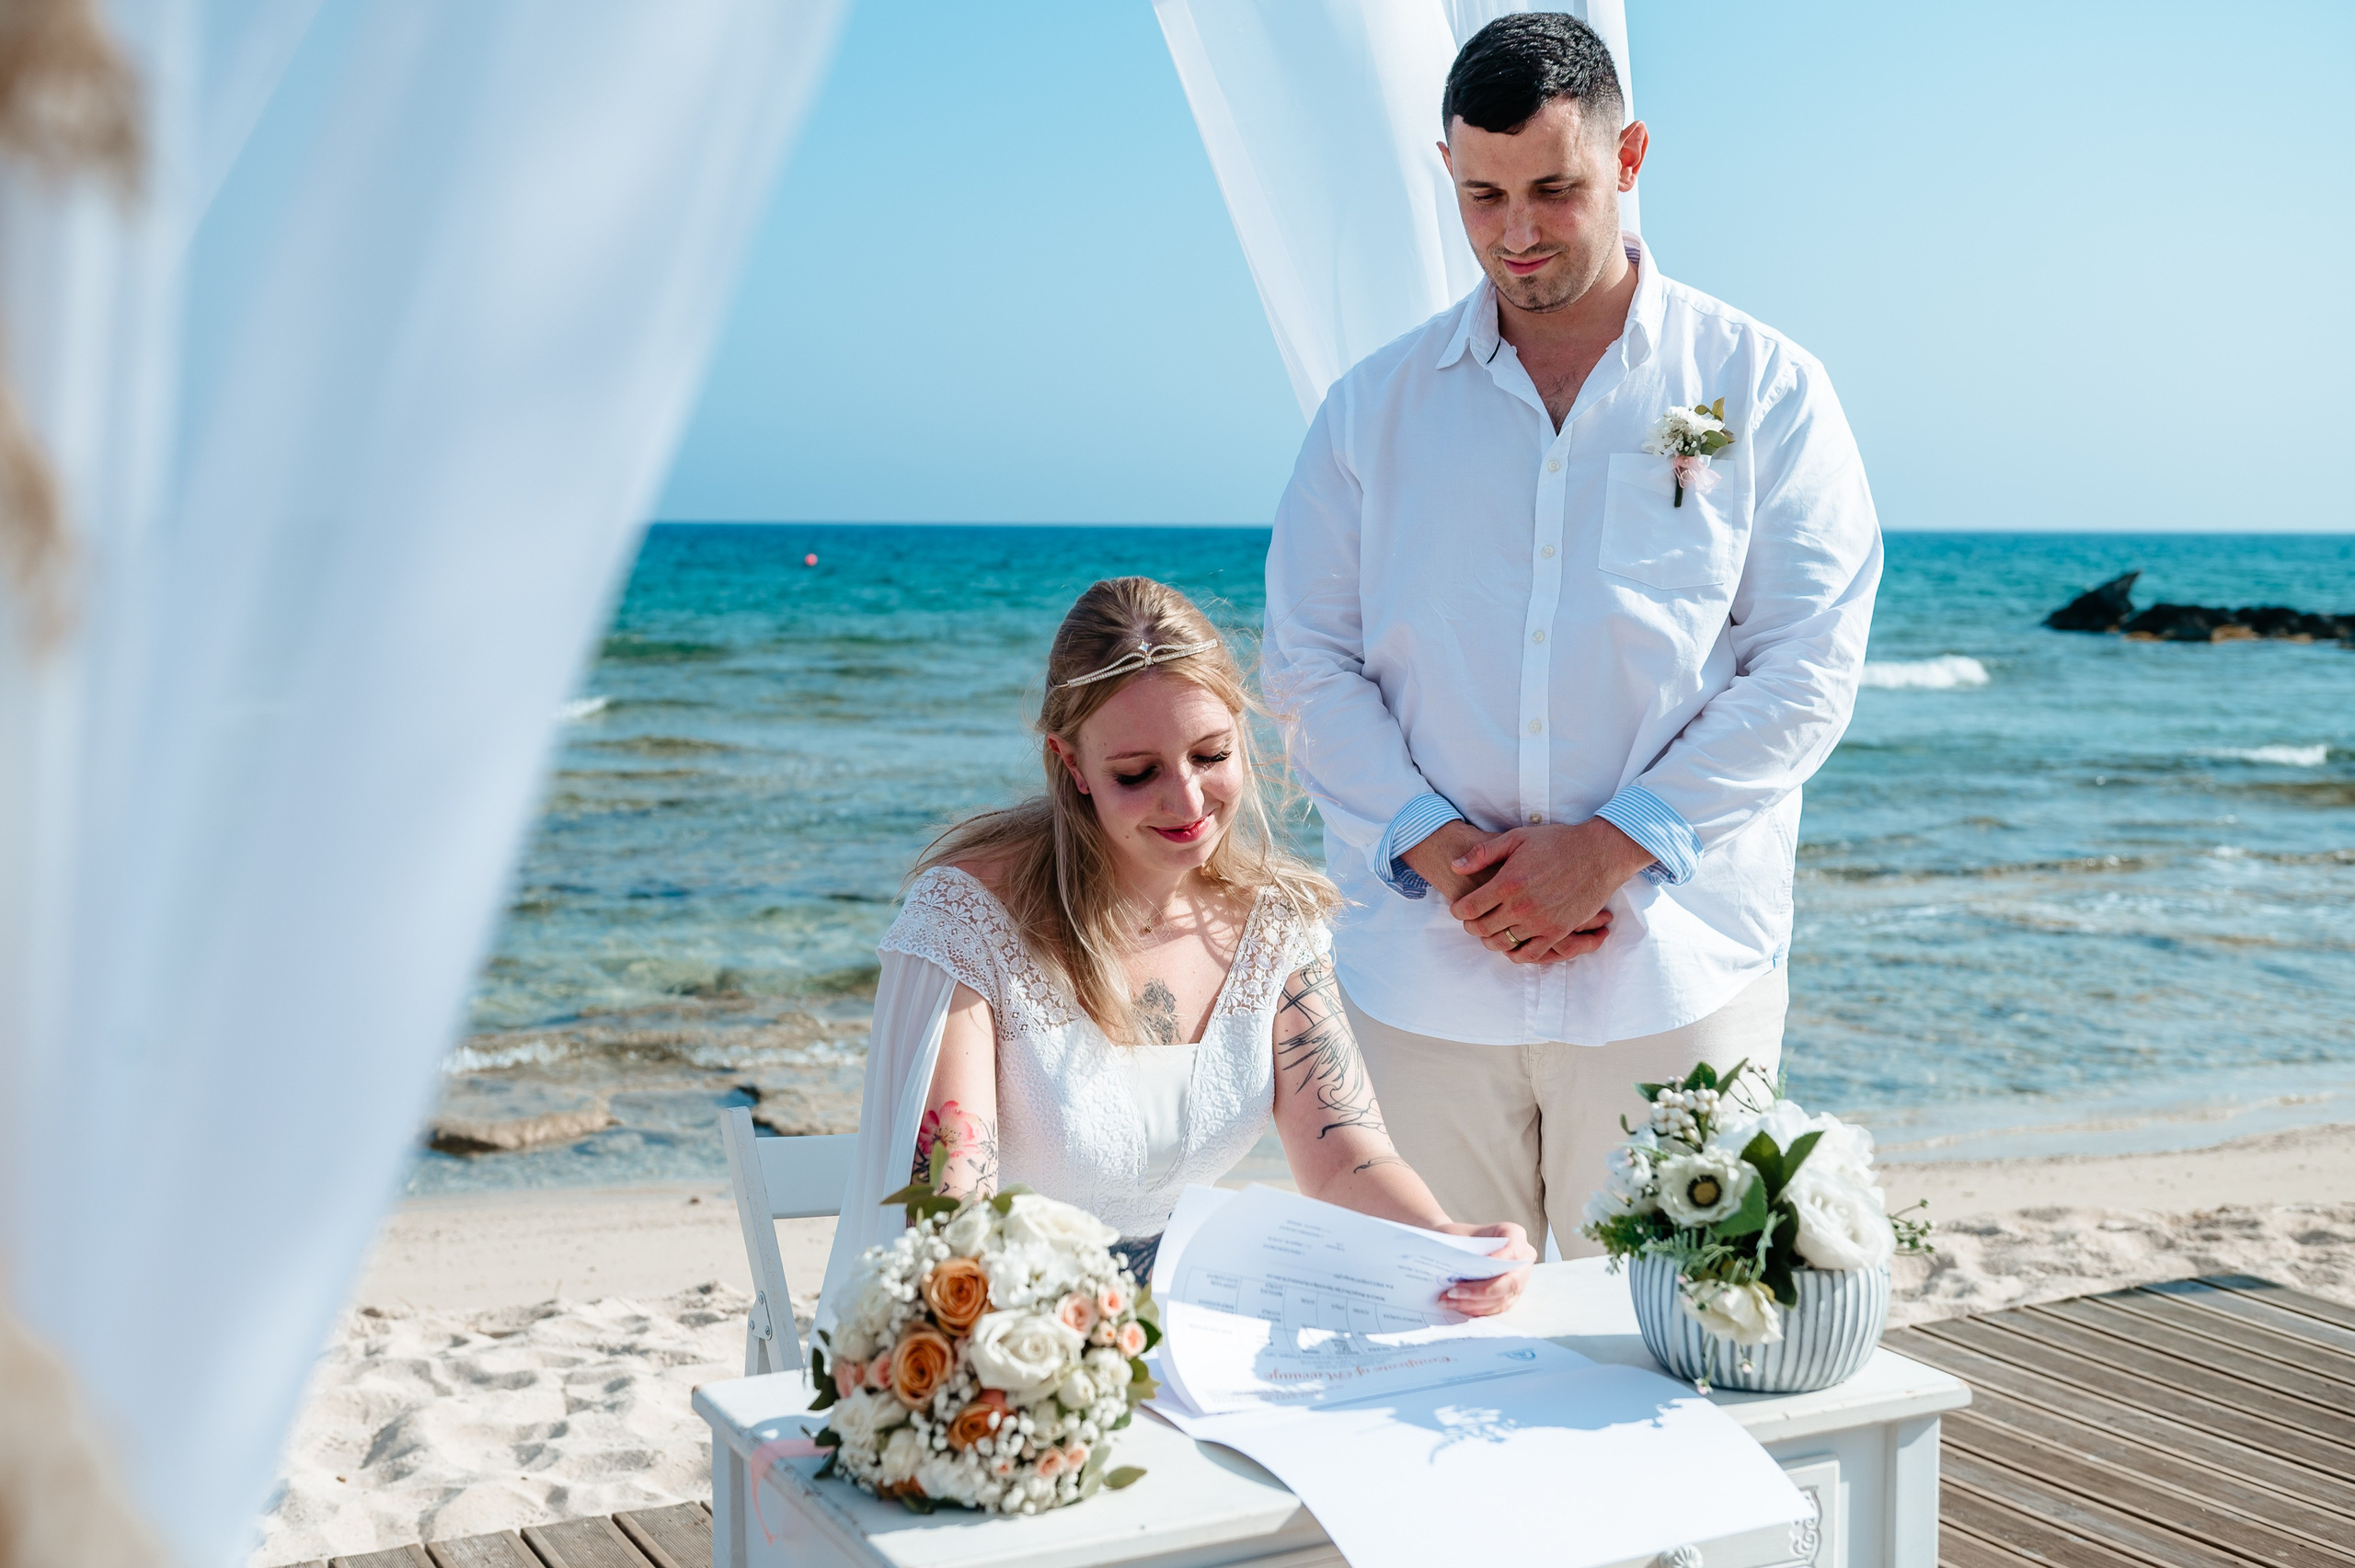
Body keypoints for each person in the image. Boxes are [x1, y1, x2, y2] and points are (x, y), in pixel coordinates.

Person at [1262, 15, 1881, 1258]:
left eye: (1556, 187)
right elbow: (1306, 657)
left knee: (1662, 1357)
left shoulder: (1762, 387)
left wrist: (1612, 849)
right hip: (1422, 979)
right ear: (1448, 169)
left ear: (1631, 155)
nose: (1518, 231)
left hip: (1676, 974)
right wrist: (1437, 851)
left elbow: (1809, 660)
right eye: (1483, 194)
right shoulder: (1368, 412)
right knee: (1429, 1357)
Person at [816, 577, 1534, 1326]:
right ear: (1072, 766)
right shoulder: (969, 920)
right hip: (997, 1318)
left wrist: (1446, 1239)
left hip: (1195, 1315)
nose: (1189, 802)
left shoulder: (1270, 921)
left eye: (1210, 754)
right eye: (1138, 773)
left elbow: (1346, 1154)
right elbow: (947, 1202)